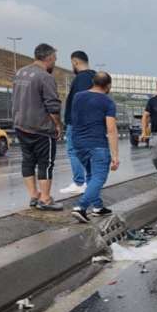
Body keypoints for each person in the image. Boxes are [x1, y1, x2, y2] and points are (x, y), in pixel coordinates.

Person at [11, 43, 63, 211]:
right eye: (54, 58)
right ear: (48, 58)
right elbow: (53, 106)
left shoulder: (20, 73)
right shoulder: (45, 77)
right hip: (41, 128)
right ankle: (46, 199)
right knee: (45, 163)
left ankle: (34, 195)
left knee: (28, 160)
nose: (55, 62)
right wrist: (58, 125)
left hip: (21, 125)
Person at [70, 72, 119, 223]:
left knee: (91, 175)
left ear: (93, 82)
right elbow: (111, 130)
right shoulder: (108, 102)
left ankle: (98, 207)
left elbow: (74, 119)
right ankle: (81, 207)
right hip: (97, 144)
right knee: (99, 177)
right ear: (108, 85)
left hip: (78, 143)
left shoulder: (78, 97)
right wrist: (115, 156)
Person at [60, 51, 96, 194]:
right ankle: (90, 181)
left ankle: (79, 182)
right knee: (86, 153)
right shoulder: (94, 77)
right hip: (91, 123)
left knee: (73, 151)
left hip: (78, 123)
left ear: (75, 62)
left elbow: (80, 101)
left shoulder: (81, 78)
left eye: (72, 64)